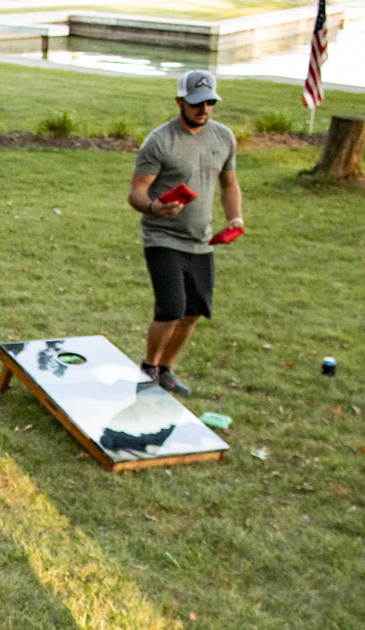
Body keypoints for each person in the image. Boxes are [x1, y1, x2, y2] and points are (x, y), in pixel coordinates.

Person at [127, 69, 243, 396]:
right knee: (171, 308)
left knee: (193, 312)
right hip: (162, 237)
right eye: (196, 103)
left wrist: (234, 217)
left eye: (209, 102)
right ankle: (148, 368)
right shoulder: (160, 141)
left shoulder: (224, 137)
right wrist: (154, 207)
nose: (204, 109)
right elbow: (136, 192)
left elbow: (229, 184)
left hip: (201, 240)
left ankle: (165, 369)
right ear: (180, 101)